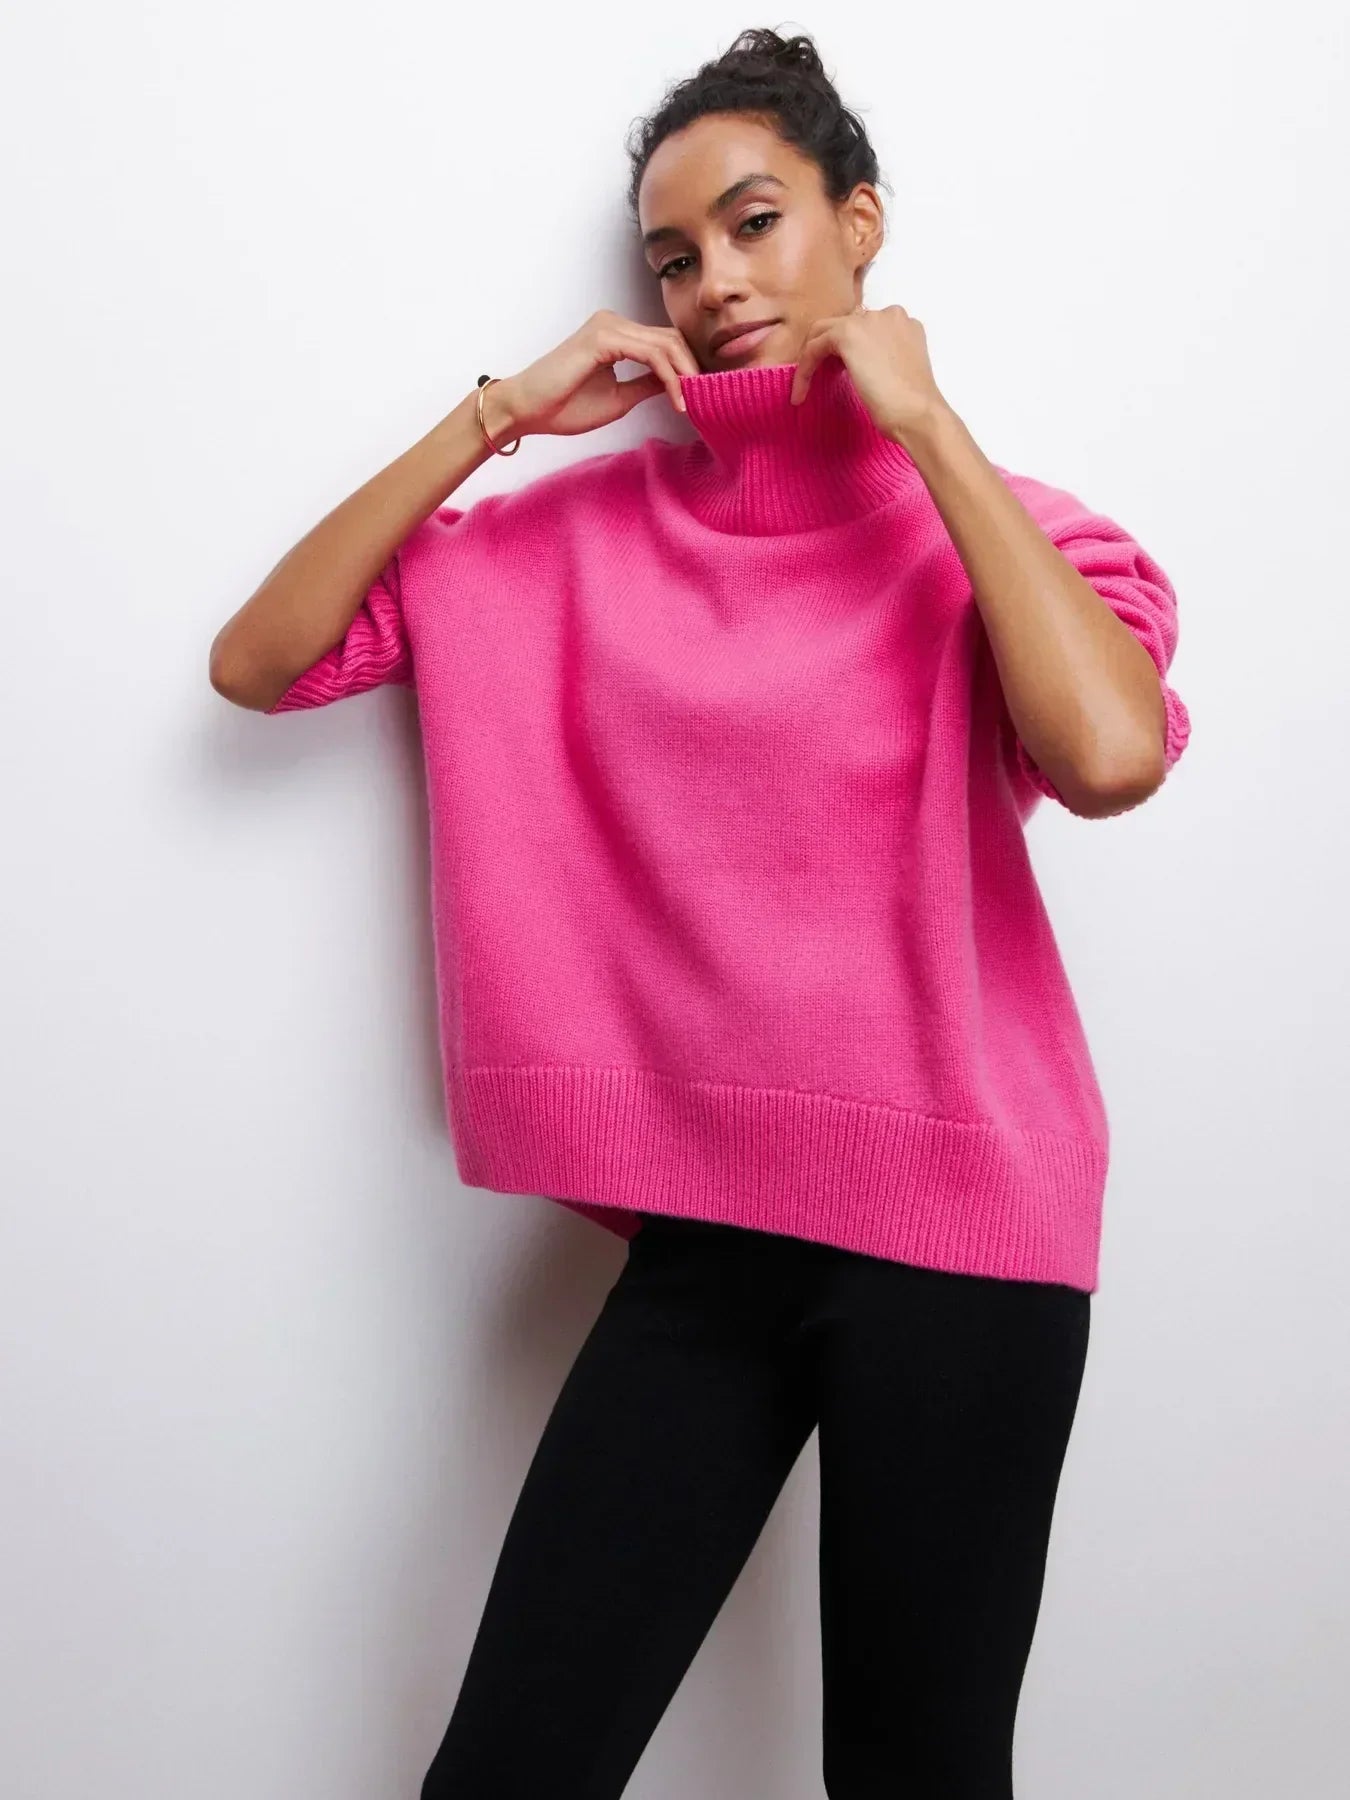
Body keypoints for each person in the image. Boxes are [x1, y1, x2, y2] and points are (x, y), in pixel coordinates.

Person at [210, 27, 1190, 1799]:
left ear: (858, 223)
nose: (715, 282)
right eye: (674, 256)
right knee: (512, 1765)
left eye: (754, 223)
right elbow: (260, 662)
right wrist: (497, 416)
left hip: (965, 1230)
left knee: (917, 1773)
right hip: (709, 1232)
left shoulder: (1011, 534)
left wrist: (925, 424)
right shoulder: (574, 537)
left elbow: (1110, 755)